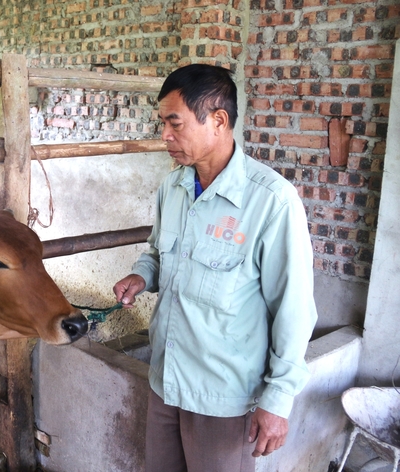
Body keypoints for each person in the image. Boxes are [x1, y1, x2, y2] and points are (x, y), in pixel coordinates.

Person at [113, 64, 318, 472]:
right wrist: (143, 274)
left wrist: (277, 400)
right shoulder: (171, 188)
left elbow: (293, 310)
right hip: (165, 380)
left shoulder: (271, 202)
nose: (164, 136)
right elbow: (158, 250)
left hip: (223, 398)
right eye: (162, 124)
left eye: (175, 124)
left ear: (218, 120)